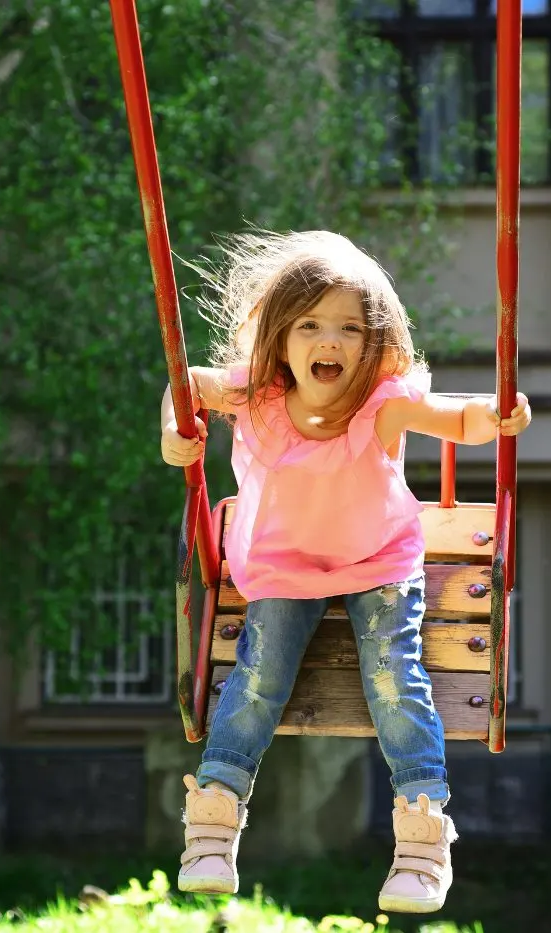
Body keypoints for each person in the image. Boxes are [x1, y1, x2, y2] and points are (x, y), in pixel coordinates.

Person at [160, 229, 531, 914]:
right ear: (279, 335)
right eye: (310, 324)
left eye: (349, 328)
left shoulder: (380, 401)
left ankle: (422, 839)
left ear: (373, 342)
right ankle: (212, 824)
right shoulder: (254, 395)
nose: (328, 340)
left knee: (393, 673)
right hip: (282, 566)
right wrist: (173, 430)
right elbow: (186, 386)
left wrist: (493, 415)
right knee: (260, 674)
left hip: (378, 561)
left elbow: (450, 415)